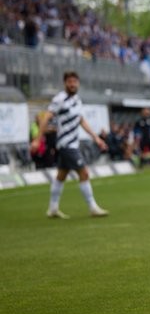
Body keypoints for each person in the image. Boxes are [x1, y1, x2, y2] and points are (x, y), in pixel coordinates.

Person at [30, 71, 109, 218]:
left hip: (72, 144)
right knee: (84, 173)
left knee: (61, 176)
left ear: (78, 83)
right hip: (66, 144)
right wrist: (37, 139)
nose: (72, 84)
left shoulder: (77, 100)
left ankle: (53, 208)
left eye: (75, 81)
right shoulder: (59, 99)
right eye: (70, 82)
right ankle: (92, 207)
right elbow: (45, 118)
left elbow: (81, 120)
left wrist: (96, 138)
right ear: (65, 83)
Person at [134, 107, 150, 172]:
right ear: (142, 112)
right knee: (142, 153)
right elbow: (136, 130)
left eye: (148, 110)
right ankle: (141, 167)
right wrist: (137, 138)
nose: (146, 112)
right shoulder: (139, 121)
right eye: (145, 111)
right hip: (143, 139)